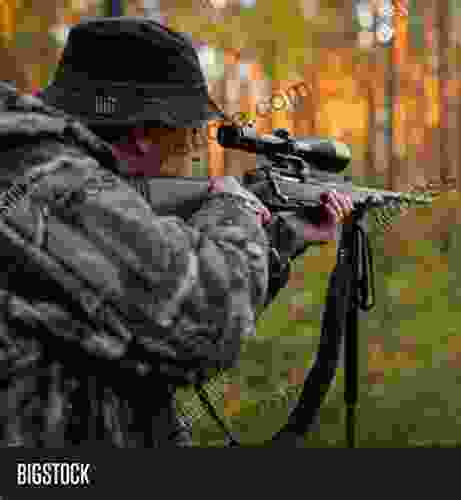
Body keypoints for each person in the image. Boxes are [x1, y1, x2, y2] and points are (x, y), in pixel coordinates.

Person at [0, 17, 352, 447]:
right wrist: (235, 210)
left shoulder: (35, 169)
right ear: (146, 136)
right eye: (182, 140)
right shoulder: (49, 184)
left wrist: (276, 242)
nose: (182, 157)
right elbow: (205, 325)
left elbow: (149, 325)